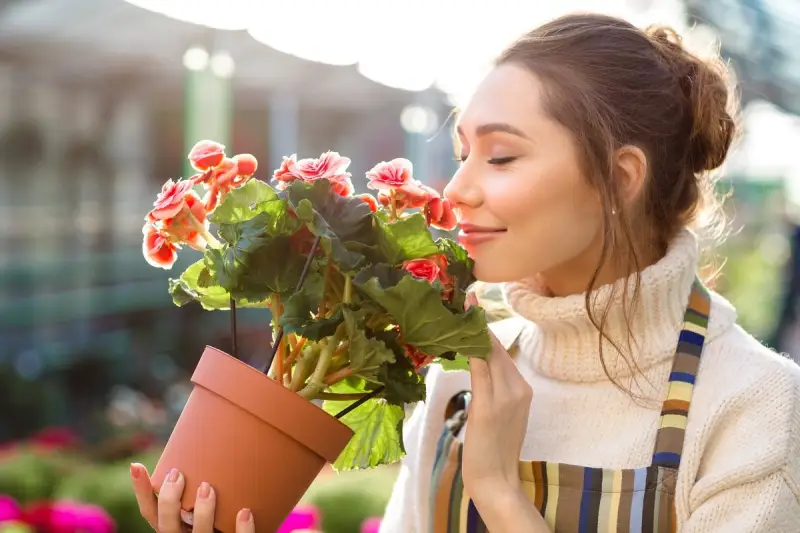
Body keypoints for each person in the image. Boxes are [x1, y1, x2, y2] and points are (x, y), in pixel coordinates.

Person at [130, 12, 800, 533]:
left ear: (620, 177)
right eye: (461, 153)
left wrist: (500, 495)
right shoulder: (457, 378)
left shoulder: (754, 406)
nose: (455, 190)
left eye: (501, 157)